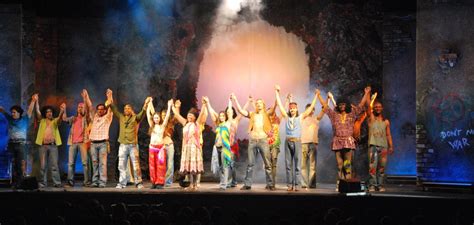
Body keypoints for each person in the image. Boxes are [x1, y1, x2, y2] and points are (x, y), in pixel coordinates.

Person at [318, 87, 370, 191]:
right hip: (337, 142)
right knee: (339, 165)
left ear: (346, 105)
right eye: (340, 104)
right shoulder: (334, 115)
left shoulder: (352, 114)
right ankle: (340, 184)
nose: (342, 106)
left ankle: (348, 184)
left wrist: (366, 93)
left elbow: (360, 105)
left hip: (348, 142)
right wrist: (319, 95)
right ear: (338, 105)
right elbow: (325, 107)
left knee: (347, 165)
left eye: (343, 104)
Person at [275, 85, 320, 191]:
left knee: (297, 165)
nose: (292, 110)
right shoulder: (286, 117)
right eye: (290, 109)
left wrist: (316, 96)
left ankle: (296, 185)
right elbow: (280, 106)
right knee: (288, 164)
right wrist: (276, 92)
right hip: (288, 142)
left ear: (297, 109)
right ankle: (290, 185)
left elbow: (309, 109)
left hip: (297, 142)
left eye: (294, 108)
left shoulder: (300, 117)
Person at [107, 89, 150, 189]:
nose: (126, 109)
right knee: (121, 165)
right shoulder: (121, 117)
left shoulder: (135, 118)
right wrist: (110, 96)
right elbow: (113, 108)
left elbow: (142, 112)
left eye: (128, 108)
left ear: (131, 110)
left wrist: (146, 103)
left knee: (136, 165)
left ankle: (138, 182)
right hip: (123, 144)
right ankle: (122, 183)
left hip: (132, 145)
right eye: (125, 108)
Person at [204, 96, 249, 190]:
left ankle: (227, 183)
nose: (229, 113)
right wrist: (208, 103)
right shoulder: (219, 124)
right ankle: (228, 182)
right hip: (219, 147)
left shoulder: (232, 121)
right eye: (227, 112)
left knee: (229, 165)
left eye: (230, 112)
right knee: (224, 166)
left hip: (229, 146)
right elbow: (212, 113)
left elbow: (242, 111)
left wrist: (232, 101)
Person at [231, 94, 274, 190]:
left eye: (260, 103)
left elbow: (274, 107)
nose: (258, 104)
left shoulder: (266, 114)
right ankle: (247, 184)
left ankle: (270, 184)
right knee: (250, 164)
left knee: (267, 164)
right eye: (257, 103)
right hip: (253, 140)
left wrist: (276, 93)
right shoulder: (252, 114)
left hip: (263, 140)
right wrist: (235, 99)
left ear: (263, 105)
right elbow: (240, 111)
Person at [0, 94, 36, 188]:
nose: (12, 114)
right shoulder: (10, 119)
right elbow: (2, 110)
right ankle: (13, 182)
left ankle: (20, 183)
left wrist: (33, 100)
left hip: (21, 144)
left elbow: (30, 110)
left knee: (20, 164)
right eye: (12, 112)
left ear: (19, 113)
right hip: (11, 144)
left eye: (14, 112)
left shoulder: (25, 119)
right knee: (12, 163)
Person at [171, 98, 208, 190]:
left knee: (194, 167)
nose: (189, 116)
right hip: (187, 147)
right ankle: (191, 185)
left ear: (195, 117)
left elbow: (202, 113)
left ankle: (195, 185)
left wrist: (204, 104)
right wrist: (172, 106)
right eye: (188, 114)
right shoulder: (185, 123)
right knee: (189, 167)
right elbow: (176, 114)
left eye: (191, 115)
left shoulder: (197, 124)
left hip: (194, 147)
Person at [34, 96, 66, 188]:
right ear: (45, 113)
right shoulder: (42, 121)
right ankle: (42, 183)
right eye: (47, 112)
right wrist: (36, 102)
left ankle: (57, 183)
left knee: (54, 165)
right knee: (43, 166)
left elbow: (60, 119)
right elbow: (37, 112)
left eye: (50, 112)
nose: (49, 113)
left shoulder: (55, 121)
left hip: (53, 146)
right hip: (43, 146)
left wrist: (62, 111)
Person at [84, 89, 113, 188]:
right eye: (99, 109)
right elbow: (90, 106)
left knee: (103, 164)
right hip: (93, 143)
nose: (100, 110)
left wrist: (110, 96)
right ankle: (95, 181)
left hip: (103, 143)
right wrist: (86, 96)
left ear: (104, 110)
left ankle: (102, 182)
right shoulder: (94, 118)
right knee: (94, 163)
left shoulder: (107, 118)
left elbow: (110, 107)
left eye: (102, 109)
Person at [63, 90, 92, 187]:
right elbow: (64, 119)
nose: (80, 108)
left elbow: (88, 109)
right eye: (79, 107)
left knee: (85, 163)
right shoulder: (73, 118)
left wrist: (85, 98)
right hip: (73, 143)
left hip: (83, 142)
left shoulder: (86, 118)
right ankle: (70, 182)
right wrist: (63, 109)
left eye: (82, 107)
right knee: (71, 164)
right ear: (77, 109)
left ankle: (87, 182)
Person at [366, 92, 393, 192]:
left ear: (382, 108)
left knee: (382, 167)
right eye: (376, 107)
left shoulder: (386, 121)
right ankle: (372, 185)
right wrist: (370, 96)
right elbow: (369, 107)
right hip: (373, 145)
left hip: (383, 146)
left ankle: (380, 185)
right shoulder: (371, 119)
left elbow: (388, 134)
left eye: (379, 107)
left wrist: (391, 146)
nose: (377, 108)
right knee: (372, 167)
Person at [146, 98, 173, 189]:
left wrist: (169, 106)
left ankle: (160, 182)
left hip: (160, 148)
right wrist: (150, 103)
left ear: (160, 118)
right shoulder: (151, 126)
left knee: (160, 165)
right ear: (153, 119)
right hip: (152, 148)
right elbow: (147, 114)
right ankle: (154, 182)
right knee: (152, 166)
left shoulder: (162, 126)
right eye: (155, 118)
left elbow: (167, 116)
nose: (156, 119)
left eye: (157, 117)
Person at [300, 103, 324, 189]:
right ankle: (304, 183)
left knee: (312, 165)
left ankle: (312, 183)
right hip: (304, 143)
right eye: (309, 109)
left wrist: (328, 100)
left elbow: (323, 111)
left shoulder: (316, 119)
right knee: (303, 165)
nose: (311, 111)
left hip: (313, 143)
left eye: (313, 109)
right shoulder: (302, 117)